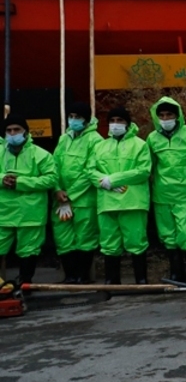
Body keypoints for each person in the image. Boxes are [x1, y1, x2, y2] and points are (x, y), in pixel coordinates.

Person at [93, 106, 153, 285]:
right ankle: (112, 281)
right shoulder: (100, 146)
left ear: (128, 123)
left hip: (133, 202)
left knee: (137, 242)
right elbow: (89, 170)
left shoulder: (140, 145)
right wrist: (102, 180)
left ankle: (141, 280)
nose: (115, 124)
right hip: (107, 203)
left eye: (120, 121)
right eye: (112, 121)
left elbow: (143, 171)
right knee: (109, 244)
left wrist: (113, 180)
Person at [145, 97, 186, 283]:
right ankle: (176, 274)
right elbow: (149, 167)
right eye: (161, 115)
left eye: (169, 114)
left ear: (177, 116)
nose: (165, 118)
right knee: (168, 236)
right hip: (161, 195)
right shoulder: (152, 138)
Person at [1, 114, 57, 284]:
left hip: (30, 213)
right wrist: (2, 179)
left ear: (26, 131)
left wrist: (21, 182)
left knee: (29, 251)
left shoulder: (41, 155)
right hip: (3, 213)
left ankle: (25, 285)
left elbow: (51, 179)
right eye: (9, 130)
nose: (12, 133)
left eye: (16, 129)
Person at [52, 102, 104, 284]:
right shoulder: (64, 139)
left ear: (87, 120)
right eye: (71, 116)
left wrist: (70, 194)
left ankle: (83, 276)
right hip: (60, 199)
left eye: (78, 117)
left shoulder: (95, 140)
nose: (73, 120)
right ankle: (70, 276)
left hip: (84, 198)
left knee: (85, 236)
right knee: (63, 236)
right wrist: (57, 189)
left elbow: (89, 171)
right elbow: (54, 165)